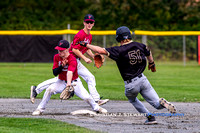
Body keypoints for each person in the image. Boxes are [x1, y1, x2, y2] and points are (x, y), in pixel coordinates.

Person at [79, 26, 176, 124]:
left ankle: (150, 117)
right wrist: (152, 63)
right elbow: (148, 52)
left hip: (131, 84)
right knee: (156, 104)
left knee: (132, 99)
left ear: (118, 38)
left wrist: (86, 45)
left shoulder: (119, 50)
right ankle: (162, 103)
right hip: (143, 80)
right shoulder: (140, 45)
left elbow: (100, 50)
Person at [30, 14, 109, 106]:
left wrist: (92, 56)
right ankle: (96, 100)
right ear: (84, 23)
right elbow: (75, 49)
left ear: (93, 24)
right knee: (61, 79)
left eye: (91, 22)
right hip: (71, 59)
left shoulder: (89, 36)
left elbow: (86, 48)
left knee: (88, 77)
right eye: (87, 22)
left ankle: (96, 99)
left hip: (76, 60)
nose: (89, 24)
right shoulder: (80, 34)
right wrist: (84, 58)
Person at [32, 40, 107, 115]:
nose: (59, 52)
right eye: (59, 50)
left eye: (62, 50)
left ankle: (97, 108)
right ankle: (39, 109)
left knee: (87, 97)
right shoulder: (57, 57)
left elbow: (70, 72)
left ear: (67, 50)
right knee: (49, 90)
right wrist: (61, 66)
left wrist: (68, 85)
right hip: (61, 81)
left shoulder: (72, 59)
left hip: (74, 83)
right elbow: (55, 73)